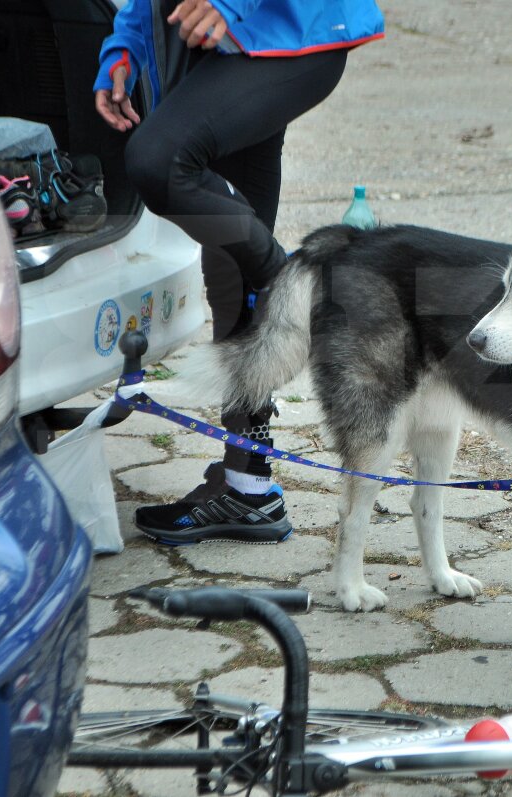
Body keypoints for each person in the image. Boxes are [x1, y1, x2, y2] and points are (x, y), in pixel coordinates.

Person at [93, 0, 384, 545]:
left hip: (283, 26)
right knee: (233, 270)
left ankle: (298, 288)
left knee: (159, 160)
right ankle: (248, 488)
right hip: (218, 43)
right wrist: (124, 50)